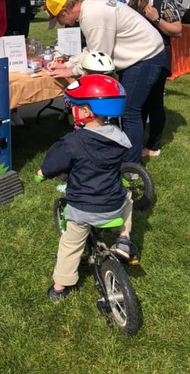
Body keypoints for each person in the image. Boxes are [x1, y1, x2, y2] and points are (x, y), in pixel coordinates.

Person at [36, 74, 136, 301]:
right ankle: (124, 237)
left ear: (86, 111)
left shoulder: (73, 142)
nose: (72, 109)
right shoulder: (119, 137)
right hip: (113, 205)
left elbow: (52, 164)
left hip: (83, 209)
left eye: (75, 105)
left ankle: (59, 287)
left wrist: (42, 173)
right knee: (128, 197)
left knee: (70, 245)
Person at [44, 0, 165, 163]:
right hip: (144, 52)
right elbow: (92, 50)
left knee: (129, 110)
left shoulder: (92, 17)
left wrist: (72, 71)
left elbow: (99, 57)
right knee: (129, 109)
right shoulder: (90, 10)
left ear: (64, 12)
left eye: (59, 20)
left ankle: (131, 165)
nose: (62, 24)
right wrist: (67, 64)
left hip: (145, 55)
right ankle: (124, 153)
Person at [115, 0, 182, 158]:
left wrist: (156, 19)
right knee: (138, 103)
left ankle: (153, 146)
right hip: (135, 57)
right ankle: (135, 141)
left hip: (157, 58)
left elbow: (177, 30)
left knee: (153, 102)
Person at [2, 0, 32, 125]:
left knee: (17, 76)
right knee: (6, 78)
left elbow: (26, 20)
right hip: (3, 40)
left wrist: (23, 39)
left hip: (19, 40)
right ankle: (5, 111)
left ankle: (15, 110)